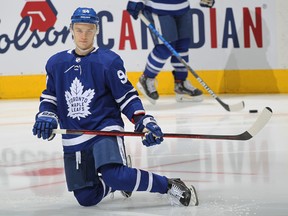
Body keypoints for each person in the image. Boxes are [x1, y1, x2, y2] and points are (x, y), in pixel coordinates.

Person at [32, 7, 198, 207]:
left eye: (89, 30)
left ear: (97, 31)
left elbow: (126, 96)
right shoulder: (56, 63)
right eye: (79, 30)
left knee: (116, 175)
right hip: (74, 135)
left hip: (105, 129)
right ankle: (115, 182)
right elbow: (50, 96)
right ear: (71, 29)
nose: (84, 36)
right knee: (86, 198)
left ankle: (170, 185)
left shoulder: (109, 61)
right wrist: (46, 114)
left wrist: (142, 120)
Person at [126, 0, 215, 104]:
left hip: (182, 7)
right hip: (159, 8)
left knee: (183, 46)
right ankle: (147, 78)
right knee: (165, 47)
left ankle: (180, 83)